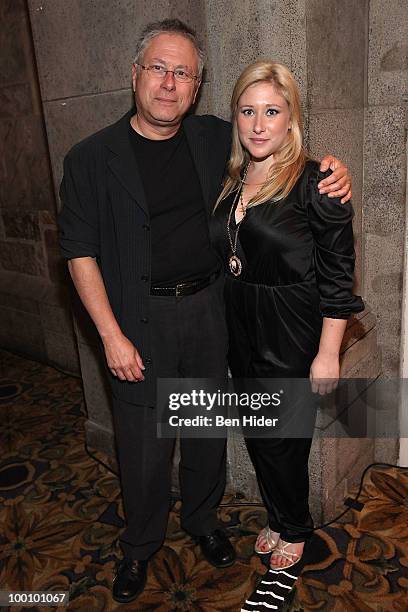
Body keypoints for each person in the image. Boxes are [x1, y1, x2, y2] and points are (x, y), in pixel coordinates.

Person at [58, 19, 352, 604]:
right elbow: (78, 253)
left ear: (196, 87)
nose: (169, 84)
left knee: (204, 433)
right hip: (138, 321)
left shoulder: (214, 138)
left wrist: (332, 170)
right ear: (135, 75)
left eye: (183, 74)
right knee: (144, 440)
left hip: (213, 314)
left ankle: (202, 521)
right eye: (159, 69)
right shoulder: (91, 157)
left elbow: (278, 140)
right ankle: (139, 547)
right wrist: (110, 336)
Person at [211, 60, 364, 573]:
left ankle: (295, 526)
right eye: (247, 111)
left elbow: (339, 274)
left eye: (271, 111)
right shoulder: (234, 177)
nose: (258, 124)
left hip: (291, 324)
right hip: (241, 321)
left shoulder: (316, 181)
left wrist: (327, 352)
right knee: (260, 431)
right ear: (235, 116)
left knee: (285, 437)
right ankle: (277, 516)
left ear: (291, 117)